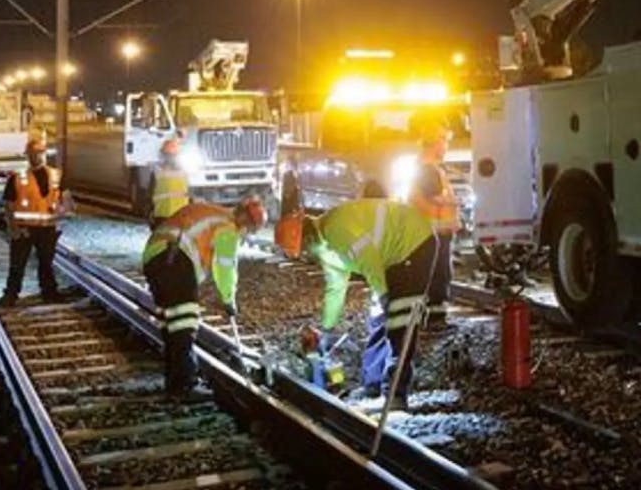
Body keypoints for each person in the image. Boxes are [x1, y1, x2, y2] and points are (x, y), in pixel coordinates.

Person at [278, 184, 437, 411]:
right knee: (377, 318)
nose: (305, 254)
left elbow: (369, 259)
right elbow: (336, 287)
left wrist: (383, 296)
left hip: (413, 244)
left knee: (399, 320)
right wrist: (327, 328)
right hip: (391, 257)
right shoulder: (326, 247)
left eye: (303, 249)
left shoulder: (336, 230)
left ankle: (396, 394)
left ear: (307, 236)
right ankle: (372, 383)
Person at [142, 197, 266, 401]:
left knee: (172, 325)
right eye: (250, 230)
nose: (245, 235)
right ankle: (185, 386)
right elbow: (225, 266)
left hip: (155, 256)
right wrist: (228, 300)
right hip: (174, 257)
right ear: (246, 224)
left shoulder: (214, 214)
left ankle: (175, 385)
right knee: (184, 322)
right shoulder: (228, 227)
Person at [0, 137, 64, 306]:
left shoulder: (55, 175)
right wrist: (13, 228)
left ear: (45, 154)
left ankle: (49, 293)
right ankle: (11, 295)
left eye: (40, 152)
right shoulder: (17, 177)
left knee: (46, 264)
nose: (37, 156)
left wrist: (62, 218)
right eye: (33, 153)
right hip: (24, 229)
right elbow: (8, 204)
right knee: (17, 265)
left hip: (48, 228)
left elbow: (66, 200)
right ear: (27, 156)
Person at [407, 124, 458, 328]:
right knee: (439, 274)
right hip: (434, 230)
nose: (446, 146)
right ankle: (436, 319)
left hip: (429, 230)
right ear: (435, 142)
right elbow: (435, 198)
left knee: (432, 273)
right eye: (444, 140)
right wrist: (456, 203)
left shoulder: (426, 166)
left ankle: (429, 317)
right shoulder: (428, 169)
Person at [149, 138, 189, 229]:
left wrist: (150, 214)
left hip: (161, 215)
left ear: (163, 155)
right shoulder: (185, 172)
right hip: (180, 216)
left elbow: (149, 195)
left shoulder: (157, 172)